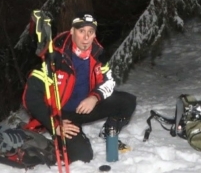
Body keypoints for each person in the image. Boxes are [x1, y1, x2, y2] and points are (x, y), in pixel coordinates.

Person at [22, 13, 137, 163]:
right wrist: (55, 124)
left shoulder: (98, 54)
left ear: (94, 34)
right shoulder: (54, 57)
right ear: (72, 31)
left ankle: (110, 132)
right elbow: (31, 97)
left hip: (85, 107)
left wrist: (95, 97)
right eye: (81, 31)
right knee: (83, 157)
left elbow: (109, 82)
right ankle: (59, 141)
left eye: (90, 32)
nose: (86, 37)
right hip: (62, 116)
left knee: (127, 101)